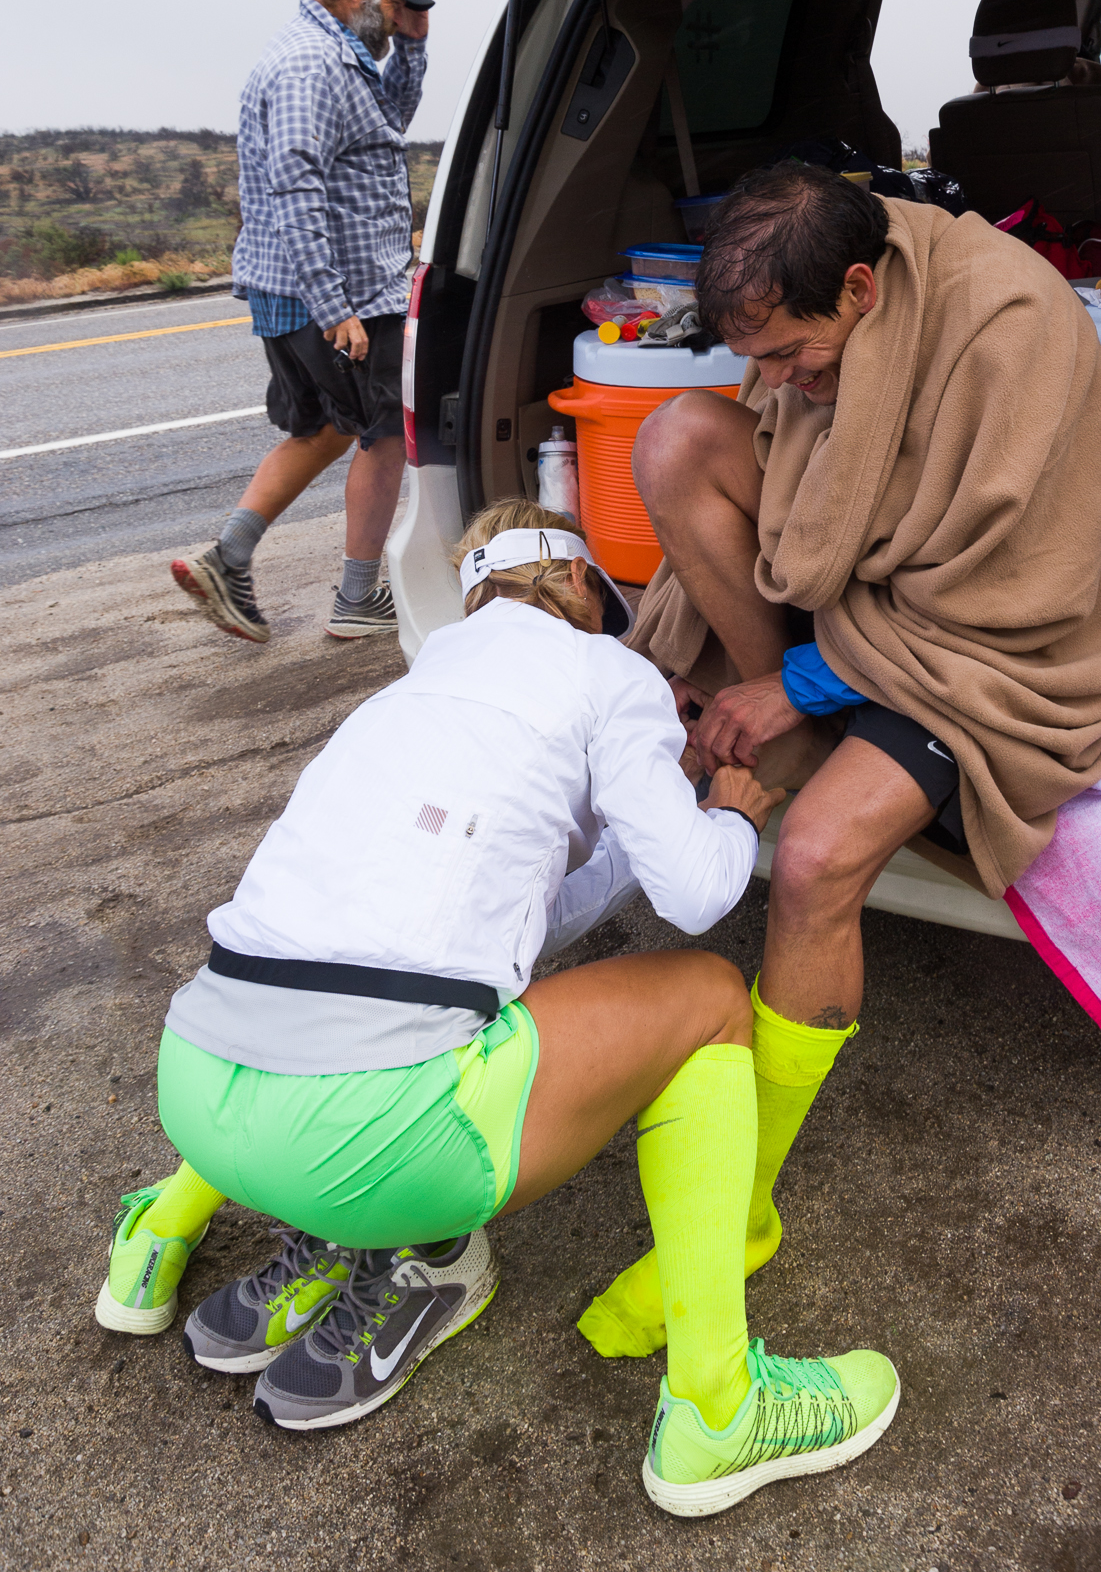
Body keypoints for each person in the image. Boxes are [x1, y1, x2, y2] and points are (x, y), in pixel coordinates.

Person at [95, 497, 899, 1512]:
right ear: (577, 584)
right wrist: (726, 817)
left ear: (477, 591)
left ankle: (152, 1244)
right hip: (370, 1141)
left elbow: (503, 929)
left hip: (202, 1088)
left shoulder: (410, 695)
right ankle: (718, 1408)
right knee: (704, 996)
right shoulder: (608, 672)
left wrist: (635, 836)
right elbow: (697, 896)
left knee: (328, 972)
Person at [572, 164, 1101, 1360]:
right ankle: (789, 721)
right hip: (862, 598)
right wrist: (778, 674)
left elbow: (1014, 593)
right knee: (679, 435)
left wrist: (800, 680)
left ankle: (743, 1211)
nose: (777, 385)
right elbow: (795, 458)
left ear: (858, 284)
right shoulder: (810, 317)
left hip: (983, 642)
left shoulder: (1010, 324)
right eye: (766, 361)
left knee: (818, 859)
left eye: (794, 358)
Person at [171, 0, 432, 644]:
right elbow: (293, 187)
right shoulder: (308, 65)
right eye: (393, 0)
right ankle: (356, 598)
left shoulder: (340, 56)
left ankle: (227, 557)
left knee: (324, 427)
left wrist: (412, 42)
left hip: (326, 289)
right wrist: (335, 307)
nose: (397, 12)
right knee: (381, 434)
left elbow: (390, 125)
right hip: (333, 293)